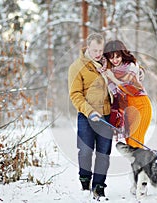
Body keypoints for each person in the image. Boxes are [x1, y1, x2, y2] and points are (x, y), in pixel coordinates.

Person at [68, 33, 113, 201]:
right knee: (86, 151)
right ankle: (85, 180)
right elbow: (75, 94)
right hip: (86, 116)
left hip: (106, 116)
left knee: (104, 153)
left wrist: (141, 72)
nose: (98, 54)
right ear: (88, 48)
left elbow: (127, 65)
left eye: (100, 50)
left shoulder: (107, 64)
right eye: (94, 50)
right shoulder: (77, 67)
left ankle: (99, 187)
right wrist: (90, 111)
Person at [102, 40, 152, 148]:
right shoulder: (111, 70)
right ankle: (140, 165)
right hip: (128, 111)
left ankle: (145, 165)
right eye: (111, 57)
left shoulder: (131, 66)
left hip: (141, 107)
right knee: (130, 145)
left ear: (123, 54)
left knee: (136, 144)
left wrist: (112, 78)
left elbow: (130, 89)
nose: (115, 60)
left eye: (117, 56)